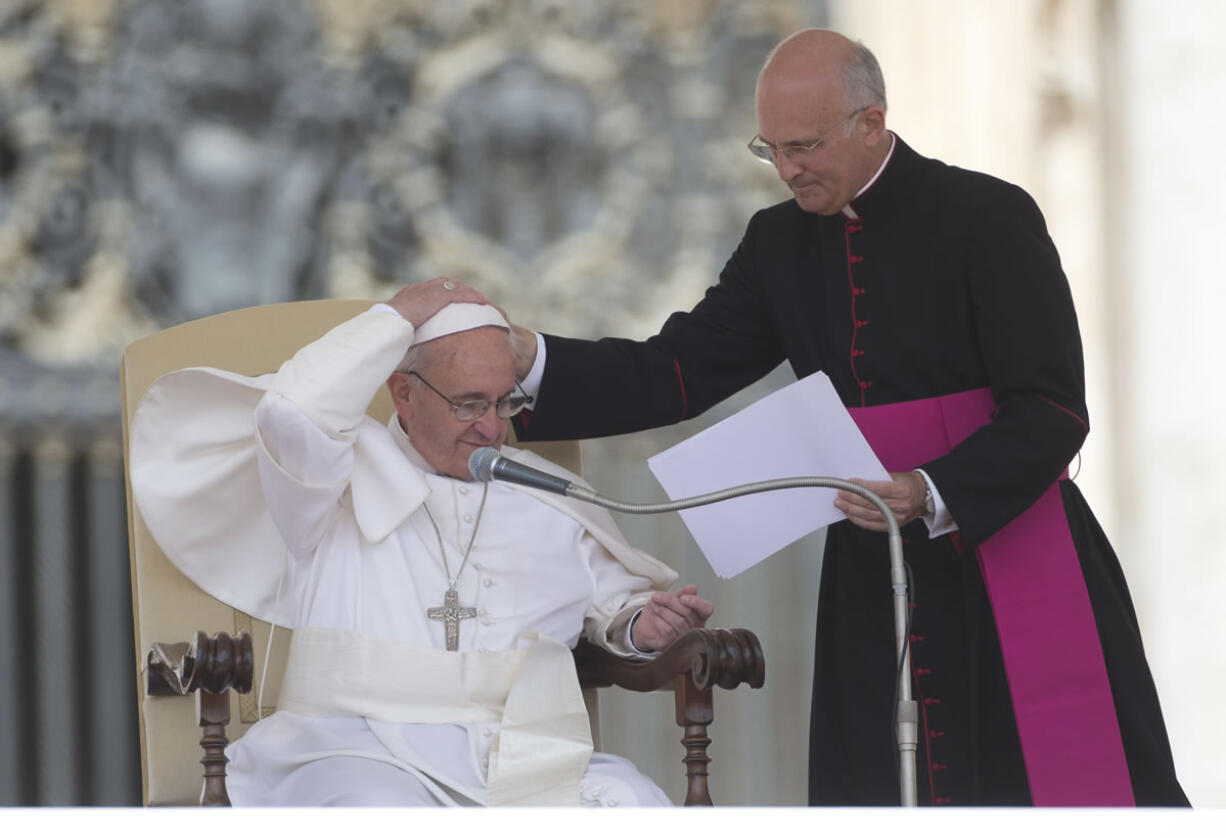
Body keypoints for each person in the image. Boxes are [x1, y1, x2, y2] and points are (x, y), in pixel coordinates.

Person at [499, 29, 1188, 807]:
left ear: (871, 123)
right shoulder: (779, 244)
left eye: (806, 146)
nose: (788, 169)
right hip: (870, 564)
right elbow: (676, 370)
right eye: (772, 150)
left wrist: (932, 489)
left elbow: (1054, 407)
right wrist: (528, 362)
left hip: (1005, 539)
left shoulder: (989, 216)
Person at [128, 278, 714, 807]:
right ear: (403, 395)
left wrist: (644, 628)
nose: (490, 425)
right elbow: (292, 409)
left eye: (503, 402)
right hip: (353, 749)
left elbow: (615, 608)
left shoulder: (553, 495)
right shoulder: (331, 478)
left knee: (634, 803)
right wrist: (396, 316)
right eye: (467, 404)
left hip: (522, 753)